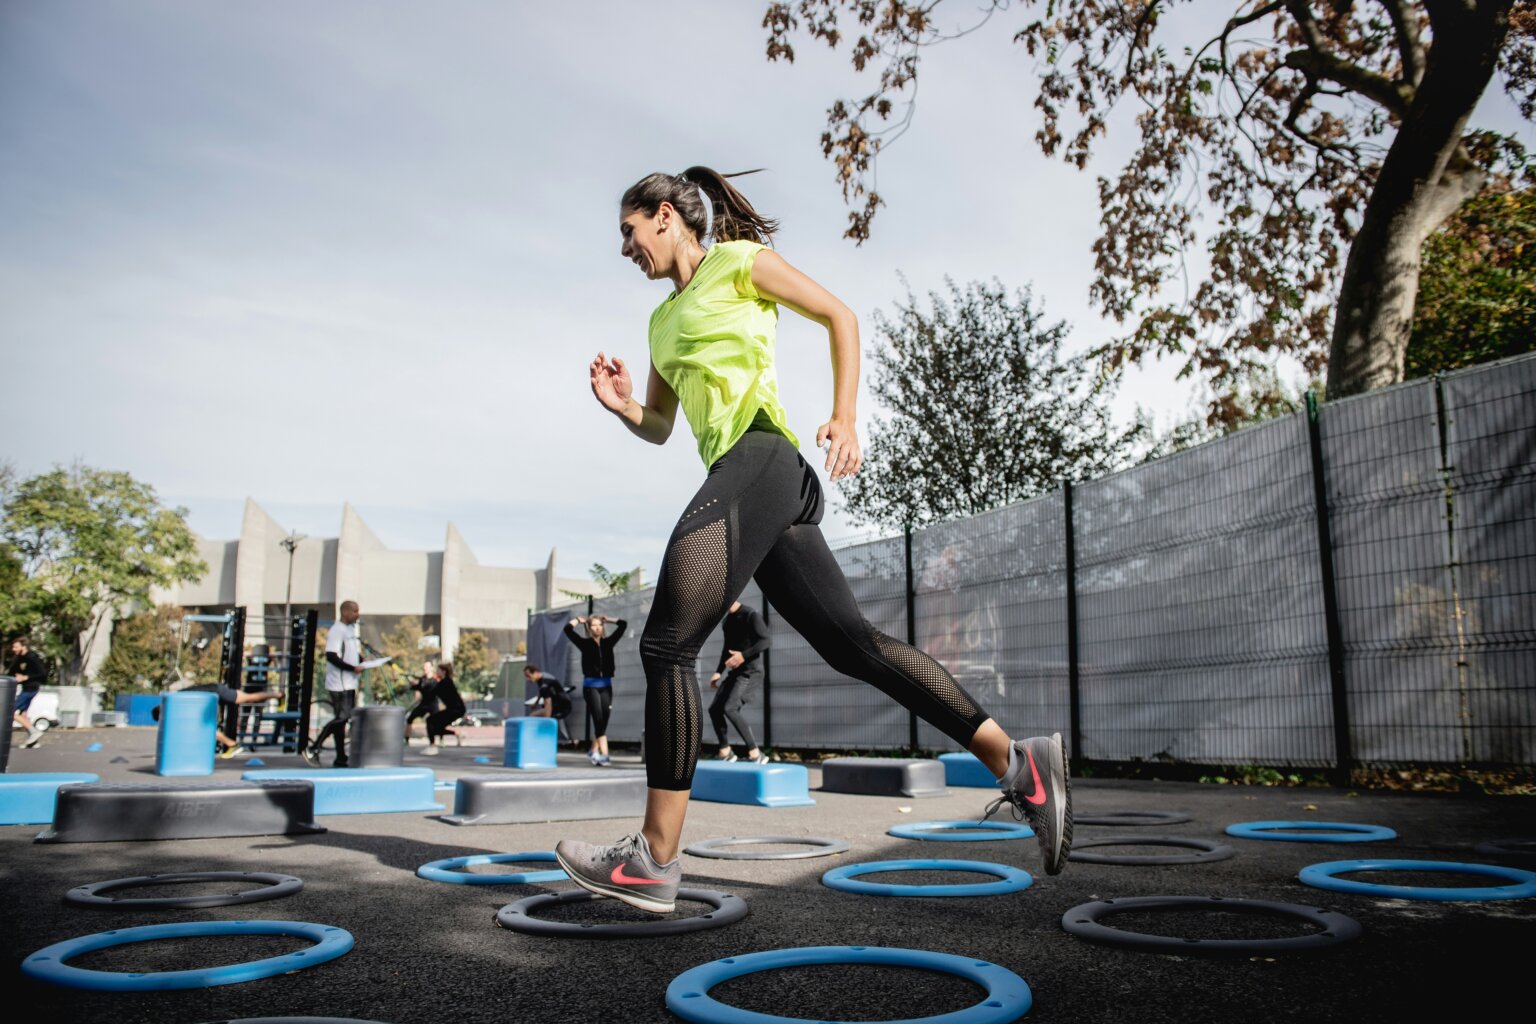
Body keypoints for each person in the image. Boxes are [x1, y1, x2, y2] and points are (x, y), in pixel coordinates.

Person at [554, 167, 1072, 914]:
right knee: (852, 646)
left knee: (667, 645)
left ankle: (653, 860)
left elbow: (839, 316)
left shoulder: (736, 263)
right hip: (752, 483)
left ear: (665, 216)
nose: (625, 248)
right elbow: (665, 426)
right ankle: (1020, 764)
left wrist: (845, 414)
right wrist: (624, 404)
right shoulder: (661, 324)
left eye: (629, 232)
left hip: (762, 458)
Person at [302, 600, 385, 768]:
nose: (357, 614)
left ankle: (340, 757)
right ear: (345, 612)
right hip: (339, 683)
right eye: (354, 611)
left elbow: (349, 653)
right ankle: (313, 748)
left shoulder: (349, 631)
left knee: (342, 720)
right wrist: (351, 668)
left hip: (349, 682)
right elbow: (331, 655)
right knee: (342, 717)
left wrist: (362, 661)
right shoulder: (337, 630)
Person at [708, 600, 772, 764]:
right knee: (715, 709)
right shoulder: (727, 621)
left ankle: (756, 754)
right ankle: (725, 751)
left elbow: (765, 641)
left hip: (751, 672)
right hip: (735, 672)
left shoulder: (751, 615)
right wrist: (718, 672)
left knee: (730, 708)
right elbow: (726, 649)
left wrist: (743, 656)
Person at [158, 680, 282, 757]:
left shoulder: (174, 703)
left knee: (249, 698)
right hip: (215, 692)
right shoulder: (173, 700)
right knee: (248, 698)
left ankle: (233, 745)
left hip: (217, 692)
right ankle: (278, 695)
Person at [563, 614, 627, 765]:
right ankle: (604, 755)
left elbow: (623, 624)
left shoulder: (609, 642)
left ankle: (593, 750)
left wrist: (609, 619)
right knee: (598, 720)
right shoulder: (584, 643)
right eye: (594, 625)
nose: (597, 627)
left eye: (600, 625)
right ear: (589, 628)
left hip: (606, 686)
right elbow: (567, 630)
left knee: (603, 720)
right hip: (591, 687)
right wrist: (578, 620)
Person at [7, 635, 50, 749]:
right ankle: (33, 741)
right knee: (23, 715)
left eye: (16, 647)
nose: (14, 649)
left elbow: (42, 674)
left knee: (10, 711)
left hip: (31, 688)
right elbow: (11, 673)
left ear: (23, 646)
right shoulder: (18, 659)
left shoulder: (31, 658)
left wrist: (26, 677)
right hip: (25, 688)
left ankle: (33, 731)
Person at [523, 663, 576, 744]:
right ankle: (537, 738)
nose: (527, 679)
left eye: (528, 676)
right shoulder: (542, 677)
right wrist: (535, 703)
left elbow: (548, 704)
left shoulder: (545, 683)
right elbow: (541, 692)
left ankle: (545, 741)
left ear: (535, 673)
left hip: (563, 707)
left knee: (547, 720)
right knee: (532, 715)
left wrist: (546, 720)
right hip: (556, 705)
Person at [422, 661, 465, 755]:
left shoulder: (445, 682)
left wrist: (420, 686)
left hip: (456, 709)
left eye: (438, 670)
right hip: (456, 709)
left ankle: (432, 747)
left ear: (443, 672)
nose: (436, 672)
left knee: (430, 720)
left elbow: (432, 692)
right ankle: (457, 734)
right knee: (436, 728)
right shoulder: (445, 681)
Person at [405, 660, 440, 743]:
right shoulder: (422, 679)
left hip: (433, 704)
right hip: (424, 704)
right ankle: (406, 739)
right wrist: (412, 683)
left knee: (437, 723)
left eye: (427, 666)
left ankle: (440, 740)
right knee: (410, 718)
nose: (425, 668)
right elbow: (417, 687)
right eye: (424, 666)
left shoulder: (436, 679)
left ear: (431, 668)